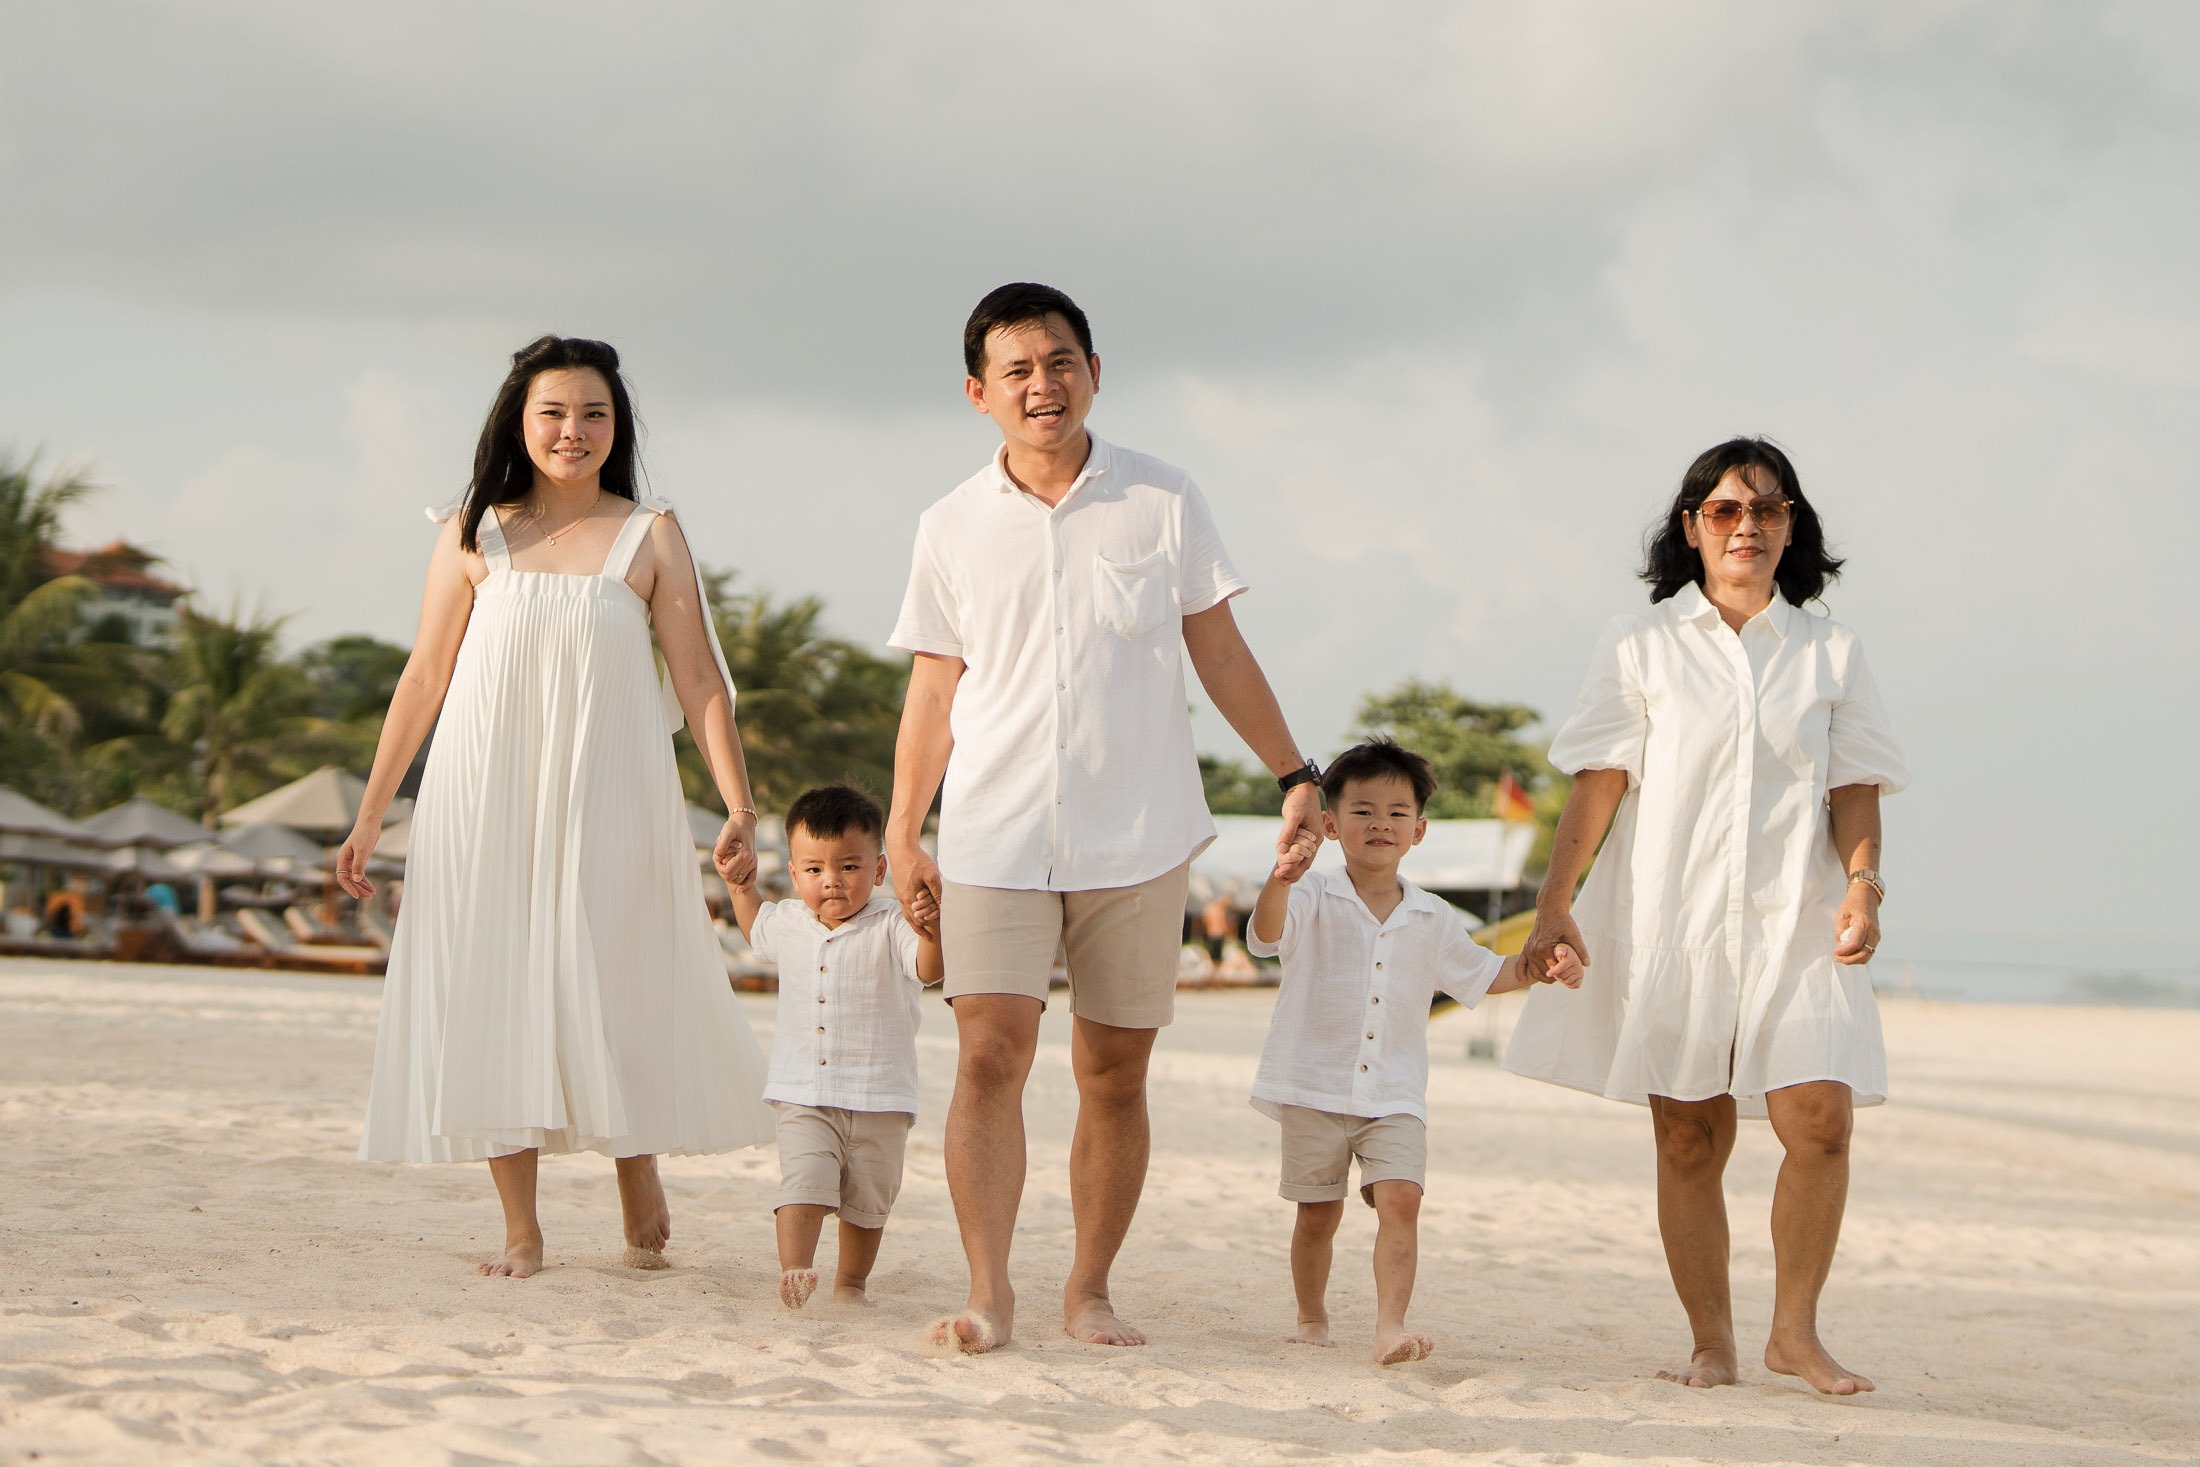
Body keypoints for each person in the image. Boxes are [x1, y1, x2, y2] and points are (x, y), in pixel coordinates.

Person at [887, 282, 1323, 1354]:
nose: (1044, 385)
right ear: (978, 392)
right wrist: (904, 829)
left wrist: (1292, 771)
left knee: (1112, 1071)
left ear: (1094, 372)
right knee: (988, 1053)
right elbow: (935, 690)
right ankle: (990, 1292)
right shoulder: (947, 525)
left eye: (1061, 361)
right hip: (994, 831)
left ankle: (1090, 1289)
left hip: (1138, 833)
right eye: (1019, 370)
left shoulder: (1162, 499)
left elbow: (1216, 649)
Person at [341, 335, 774, 1278]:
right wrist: (374, 812)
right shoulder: (470, 530)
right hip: (482, 787)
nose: (572, 430)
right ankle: (521, 1227)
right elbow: (424, 677)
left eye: (593, 414)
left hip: (611, 783)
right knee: (494, 977)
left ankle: (637, 1167)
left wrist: (740, 805)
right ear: (519, 420)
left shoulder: (650, 532)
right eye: (553, 412)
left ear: (616, 428)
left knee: (616, 963)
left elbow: (699, 677)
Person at [1504, 438, 1907, 1395]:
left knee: (1821, 1118)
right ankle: (1712, 1339)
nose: (1747, 526)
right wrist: (1554, 904)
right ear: (1691, 527)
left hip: (1797, 920)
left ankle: (1794, 1333)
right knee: (1690, 1134)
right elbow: (1599, 786)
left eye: (1768, 510)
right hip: (1671, 916)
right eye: (1726, 510)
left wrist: (1863, 886)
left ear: (1791, 528)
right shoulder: (1639, 643)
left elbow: (1854, 788)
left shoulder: (1831, 652)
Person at [1249, 739, 1580, 1365]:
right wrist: (1281, 879)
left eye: (1398, 813)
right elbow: (1266, 937)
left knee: (1402, 1199)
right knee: (1318, 1213)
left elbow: (1489, 974)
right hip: (1312, 1084)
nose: (1381, 824)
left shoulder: (1434, 916)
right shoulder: (1311, 896)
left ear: (1419, 831)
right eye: (1363, 810)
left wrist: (1542, 964)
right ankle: (1311, 1315)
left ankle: (1389, 1328)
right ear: (1329, 824)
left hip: (1395, 1090)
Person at [722, 783, 944, 1309]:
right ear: (795, 873)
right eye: (815, 870)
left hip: (881, 1097)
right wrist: (738, 885)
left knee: (868, 1202)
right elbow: (755, 925)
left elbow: (930, 970)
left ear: (879, 870)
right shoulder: (790, 922)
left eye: (849, 867)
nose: (833, 882)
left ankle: (851, 1285)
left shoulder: (892, 925)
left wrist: (933, 931)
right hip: (804, 1091)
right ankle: (795, 1269)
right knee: (803, 1182)